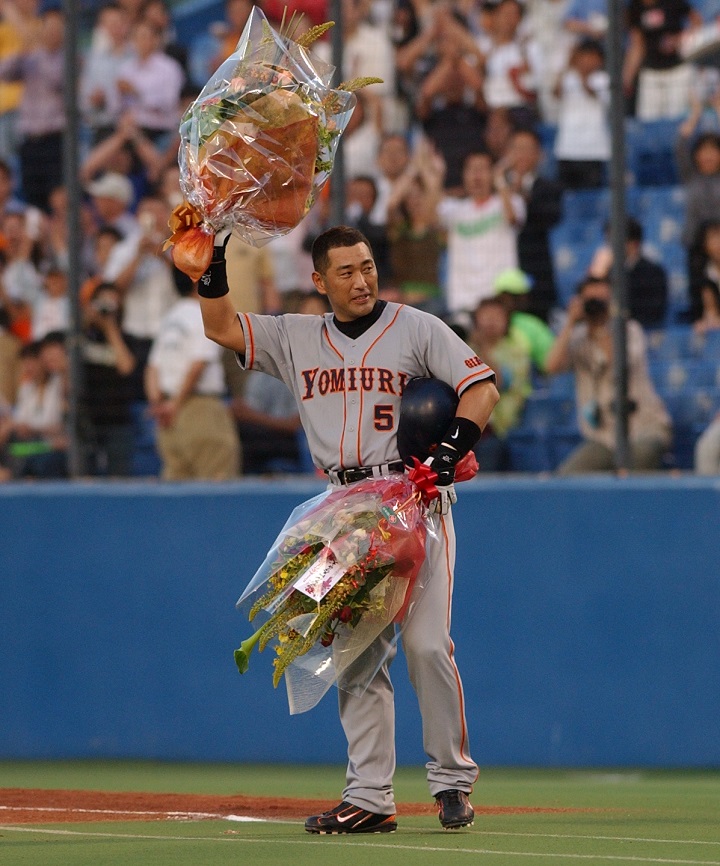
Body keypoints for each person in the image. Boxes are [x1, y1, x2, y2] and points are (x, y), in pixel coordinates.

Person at [198, 224, 499, 833]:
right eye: (345, 271)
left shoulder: (414, 326)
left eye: (366, 266)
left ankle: (451, 781)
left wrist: (450, 449)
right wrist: (210, 272)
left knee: (425, 647)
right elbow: (222, 327)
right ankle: (369, 798)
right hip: (344, 510)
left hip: (415, 498)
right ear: (318, 280)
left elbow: (481, 387)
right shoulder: (295, 337)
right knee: (354, 656)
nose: (361, 280)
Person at [545, 275, 672, 474]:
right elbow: (551, 366)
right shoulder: (578, 337)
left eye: (601, 300)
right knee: (567, 476)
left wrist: (604, 325)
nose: (596, 306)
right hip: (603, 437)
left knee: (634, 465)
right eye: (591, 301)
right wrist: (570, 322)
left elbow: (617, 366)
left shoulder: (630, 329)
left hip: (644, 429)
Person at [144, 273, 239, 481]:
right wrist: (176, 405)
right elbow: (199, 364)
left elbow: (152, 367)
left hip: (168, 415)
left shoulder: (170, 317)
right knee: (217, 486)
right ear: (198, 280)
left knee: (177, 494)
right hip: (198, 409)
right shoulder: (204, 315)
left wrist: (159, 404)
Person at [437, 149, 525, 314]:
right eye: (471, 169)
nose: (477, 175)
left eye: (483, 169)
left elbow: (513, 219)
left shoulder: (511, 202)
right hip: (463, 300)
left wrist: (500, 180)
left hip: (498, 299)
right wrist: (435, 179)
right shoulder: (454, 209)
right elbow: (428, 221)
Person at [499, 127, 563, 321]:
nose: (521, 155)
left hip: (535, 275)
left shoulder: (549, 187)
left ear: (539, 155)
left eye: (527, 149)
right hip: (498, 273)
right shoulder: (496, 187)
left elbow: (551, 217)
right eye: (516, 149)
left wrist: (520, 195)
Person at [79, 281, 136, 476]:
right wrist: (86, 322)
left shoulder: (128, 338)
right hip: (87, 419)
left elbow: (126, 367)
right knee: (83, 478)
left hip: (117, 420)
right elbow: (66, 364)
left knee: (119, 480)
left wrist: (109, 328)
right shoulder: (82, 336)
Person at [468, 295, 532, 471]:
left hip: (500, 428)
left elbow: (499, 382)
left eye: (496, 317)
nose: (490, 322)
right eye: (486, 316)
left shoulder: (516, 350)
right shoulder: (465, 347)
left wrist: (482, 349)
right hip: (467, 425)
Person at [588, 216, 669, 330]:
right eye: (608, 242)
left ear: (633, 243)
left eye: (614, 242)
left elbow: (653, 312)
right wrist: (596, 276)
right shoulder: (607, 271)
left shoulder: (653, 272)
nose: (610, 248)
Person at [492, 267, 556, 373]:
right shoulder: (530, 325)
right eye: (522, 295)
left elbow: (550, 361)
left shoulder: (531, 323)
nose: (526, 299)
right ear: (506, 296)